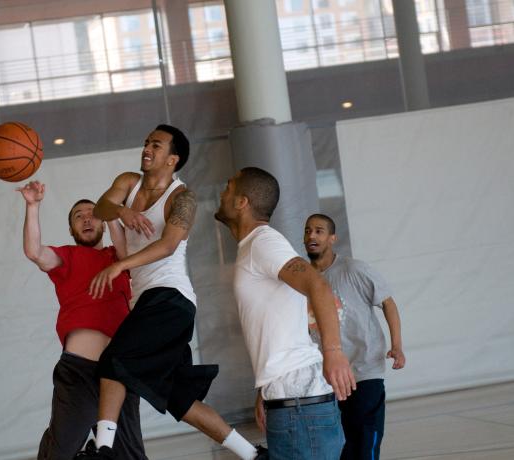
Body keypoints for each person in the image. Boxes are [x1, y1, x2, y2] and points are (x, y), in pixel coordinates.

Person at [77, 125, 267, 460]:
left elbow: (167, 246)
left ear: (172, 159)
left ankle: (103, 451)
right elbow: (103, 206)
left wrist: (120, 266)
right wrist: (122, 212)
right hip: (148, 301)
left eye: (156, 145)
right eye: (146, 142)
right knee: (179, 400)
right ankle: (253, 455)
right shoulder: (127, 182)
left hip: (170, 298)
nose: (147, 148)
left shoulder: (183, 198)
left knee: (113, 360)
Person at [214, 167, 357, 460]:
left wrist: (334, 351)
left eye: (228, 186)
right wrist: (264, 389)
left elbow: (317, 285)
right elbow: (280, 321)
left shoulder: (263, 242)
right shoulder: (254, 247)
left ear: (242, 202)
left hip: (301, 409)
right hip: (289, 401)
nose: (222, 192)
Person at [18, 180, 147, 460]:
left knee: (130, 456)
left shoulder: (118, 258)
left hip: (119, 371)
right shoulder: (68, 256)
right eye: (79, 217)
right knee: (60, 453)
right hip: (79, 372)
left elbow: (127, 256)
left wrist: (110, 212)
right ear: (72, 230)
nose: (87, 219)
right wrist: (32, 206)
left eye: (93, 214)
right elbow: (34, 251)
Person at [304, 213, 406, 460]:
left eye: (319, 231)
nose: (311, 236)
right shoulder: (302, 278)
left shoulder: (353, 269)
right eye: (307, 231)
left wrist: (397, 345)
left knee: (363, 443)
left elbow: (388, 303)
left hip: (363, 371)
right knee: (340, 447)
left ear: (332, 238)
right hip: (326, 379)